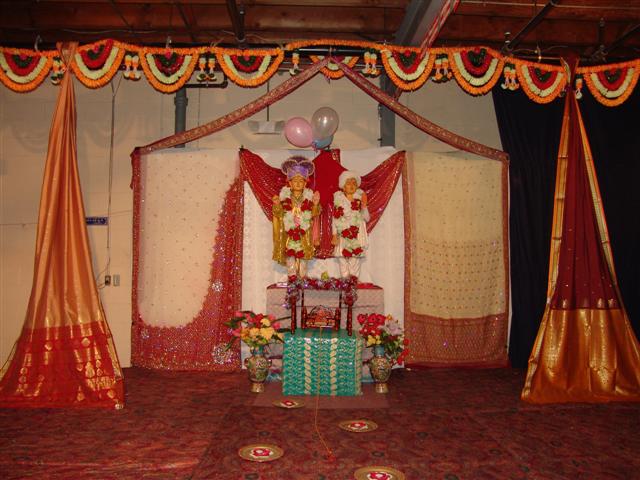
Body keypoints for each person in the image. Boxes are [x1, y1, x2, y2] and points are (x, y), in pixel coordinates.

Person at [272, 156, 321, 277]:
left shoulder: (309, 197)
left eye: (301, 181)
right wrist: (277, 204)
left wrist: (315, 204)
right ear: (289, 183)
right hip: (289, 234)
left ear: (305, 183)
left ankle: (302, 281)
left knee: (303, 262)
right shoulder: (284, 198)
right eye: (295, 180)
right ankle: (292, 280)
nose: (298, 183)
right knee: (290, 259)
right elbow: (278, 214)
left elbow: (315, 214)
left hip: (304, 234)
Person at [332, 170, 369, 279]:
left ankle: (353, 282)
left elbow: (367, 218)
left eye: (354, 183)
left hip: (356, 233)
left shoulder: (359, 200)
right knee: (342, 258)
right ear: (343, 187)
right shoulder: (338, 201)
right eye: (348, 183)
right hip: (342, 233)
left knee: (355, 259)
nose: (352, 185)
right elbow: (335, 219)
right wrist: (334, 235)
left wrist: (364, 206)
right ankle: (345, 282)